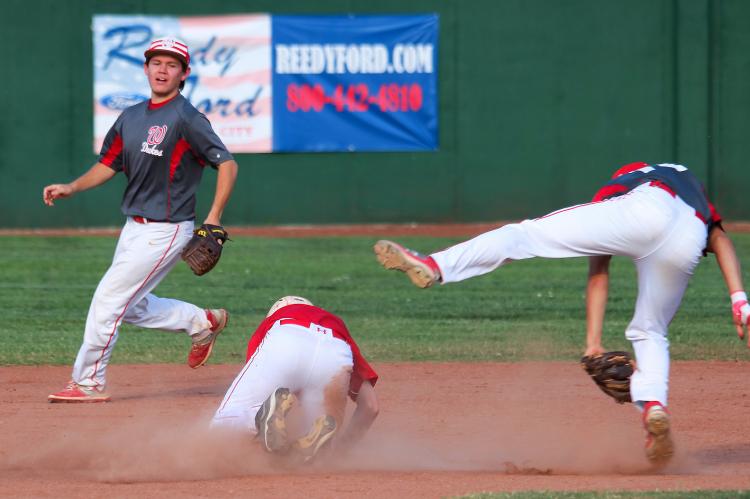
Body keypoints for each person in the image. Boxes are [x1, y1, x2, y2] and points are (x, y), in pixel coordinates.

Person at [373, 162, 750, 467]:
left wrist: (593, 343)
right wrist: (739, 300)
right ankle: (653, 407)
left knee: (525, 235)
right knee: (651, 331)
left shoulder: (627, 183)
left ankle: (436, 265)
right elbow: (720, 239)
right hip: (690, 233)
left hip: (644, 208)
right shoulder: (691, 184)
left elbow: (599, 270)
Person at [42, 37, 239, 403]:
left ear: (184, 74)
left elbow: (227, 164)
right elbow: (109, 163)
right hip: (133, 227)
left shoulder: (187, 118)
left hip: (167, 228)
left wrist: (214, 217)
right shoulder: (131, 116)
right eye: (157, 63)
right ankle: (201, 321)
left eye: (172, 65)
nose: (163, 70)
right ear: (146, 68)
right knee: (130, 306)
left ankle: (87, 383)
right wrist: (73, 186)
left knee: (108, 301)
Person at [211, 296, 379, 463]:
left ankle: (261, 417)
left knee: (230, 417)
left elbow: (258, 384)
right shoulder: (337, 326)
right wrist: (342, 450)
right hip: (336, 353)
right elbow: (371, 406)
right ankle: (319, 449)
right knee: (320, 449)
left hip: (288, 335)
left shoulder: (275, 319)